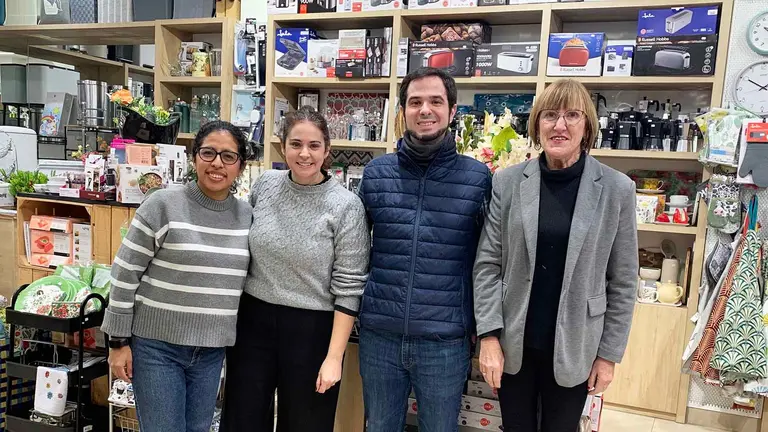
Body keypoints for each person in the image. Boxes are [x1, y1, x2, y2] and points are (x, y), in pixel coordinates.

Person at [473, 78, 638, 431]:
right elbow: (487, 264)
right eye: (549, 115)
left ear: (587, 126)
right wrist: (488, 336)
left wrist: (608, 356)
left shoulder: (616, 189)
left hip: (577, 346)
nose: (559, 125)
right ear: (536, 125)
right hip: (514, 346)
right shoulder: (509, 182)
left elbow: (623, 281)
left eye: (572, 115)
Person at [357, 67, 492, 432]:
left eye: (436, 101)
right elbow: (353, 253)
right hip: (379, 336)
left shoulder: (477, 178)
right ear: (403, 111)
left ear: (452, 112)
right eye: (415, 102)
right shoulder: (376, 173)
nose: (425, 110)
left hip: (444, 342)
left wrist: (484, 330)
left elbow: (488, 262)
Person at [221, 107, 370, 432]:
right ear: (283, 146)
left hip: (312, 329)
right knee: (242, 419)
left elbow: (349, 288)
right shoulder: (266, 185)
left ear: (327, 150)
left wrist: (334, 358)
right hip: (252, 322)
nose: (305, 154)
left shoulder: (346, 206)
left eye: (314, 145)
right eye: (296, 144)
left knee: (306, 422)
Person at [102, 121, 253, 432]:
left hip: (211, 351)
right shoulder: (163, 204)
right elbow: (124, 272)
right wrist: (118, 342)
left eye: (228, 156)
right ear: (194, 157)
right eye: (208, 153)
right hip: (158, 348)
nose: (217, 164)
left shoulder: (247, 216)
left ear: (241, 165)